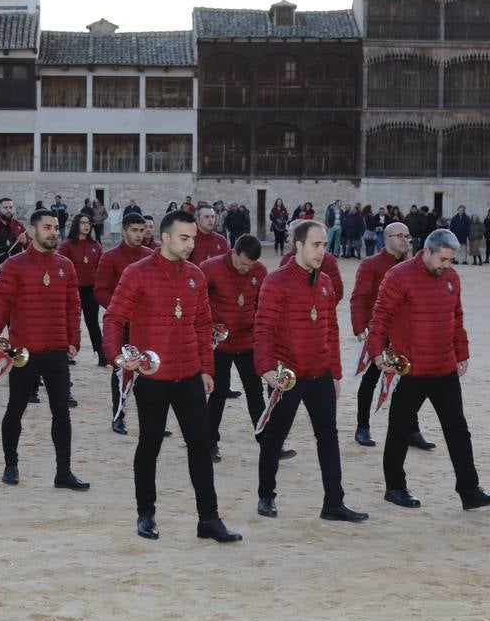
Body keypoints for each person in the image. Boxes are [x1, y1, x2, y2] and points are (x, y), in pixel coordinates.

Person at [102, 209, 242, 543]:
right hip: (152, 378)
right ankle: (146, 514)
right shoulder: (137, 273)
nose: (191, 243)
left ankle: (208, 519)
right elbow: (114, 317)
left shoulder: (195, 275)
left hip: (190, 376)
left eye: (193, 237)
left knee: (200, 445)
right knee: (149, 445)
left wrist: (207, 369)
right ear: (165, 238)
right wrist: (117, 356)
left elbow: (203, 325)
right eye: (184, 237)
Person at [366, 229, 490, 511]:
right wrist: (376, 351)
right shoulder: (399, 276)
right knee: (400, 430)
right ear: (426, 251)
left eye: (451, 260)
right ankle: (395, 487)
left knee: (458, 431)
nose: (447, 265)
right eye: (443, 259)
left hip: (444, 368)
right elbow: (381, 315)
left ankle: (469, 490)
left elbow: (457, 317)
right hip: (412, 370)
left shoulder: (451, 278)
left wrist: (461, 353)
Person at [255, 221, 369, 523]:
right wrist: (266, 369)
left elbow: (331, 330)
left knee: (328, 437)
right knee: (275, 437)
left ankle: (334, 503)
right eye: (316, 245)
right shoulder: (276, 282)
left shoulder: (326, 283)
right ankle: (266, 495)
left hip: (320, 373)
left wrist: (335, 373)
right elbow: (263, 327)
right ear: (299, 245)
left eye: (324, 245)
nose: (322, 251)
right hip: (287, 376)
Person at [0, 209, 88, 490]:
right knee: (15, 409)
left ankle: (63, 473)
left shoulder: (65, 266)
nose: (53, 232)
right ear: (32, 232)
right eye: (47, 227)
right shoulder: (14, 265)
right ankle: (11, 464)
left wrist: (73, 340)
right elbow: (1, 303)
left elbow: (73, 306)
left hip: (56, 350)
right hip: (24, 352)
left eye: (55, 227)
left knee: (62, 414)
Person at [350, 222, 431, 450]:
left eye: (407, 235)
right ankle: (362, 426)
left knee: (409, 383)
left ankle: (411, 430)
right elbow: (360, 297)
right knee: (371, 381)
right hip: (380, 333)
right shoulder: (371, 265)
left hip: (405, 334)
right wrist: (360, 328)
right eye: (400, 236)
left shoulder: (413, 266)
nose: (406, 240)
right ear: (387, 238)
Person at [202, 235, 274, 462]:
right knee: (218, 392)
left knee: (255, 391)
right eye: (242, 263)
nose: (246, 269)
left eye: (250, 265)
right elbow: (198, 301)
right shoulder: (210, 268)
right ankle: (210, 441)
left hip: (247, 341)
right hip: (220, 342)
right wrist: (211, 326)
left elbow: (264, 306)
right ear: (233, 252)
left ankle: (266, 439)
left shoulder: (260, 272)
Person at [94, 212, 151, 434]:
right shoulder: (110, 258)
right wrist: (122, 310)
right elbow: (100, 291)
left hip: (147, 324)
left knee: (150, 369)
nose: (139, 234)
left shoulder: (151, 255)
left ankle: (152, 419)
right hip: (122, 324)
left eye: (142, 230)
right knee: (122, 370)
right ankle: (118, 416)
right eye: (135, 230)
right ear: (125, 230)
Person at [60, 213, 105, 366]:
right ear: (76, 224)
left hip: (91, 290)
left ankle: (101, 354)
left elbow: (101, 268)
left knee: (92, 322)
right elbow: (61, 268)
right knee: (71, 322)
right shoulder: (67, 246)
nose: (87, 225)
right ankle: (68, 354)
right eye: (83, 222)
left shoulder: (96, 246)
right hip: (72, 289)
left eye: (88, 223)